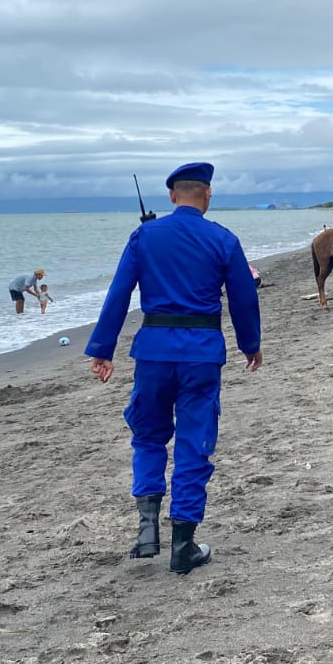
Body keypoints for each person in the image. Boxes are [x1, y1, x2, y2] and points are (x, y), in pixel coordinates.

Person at [86, 162, 262, 575]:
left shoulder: (144, 236)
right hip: (201, 354)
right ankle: (183, 545)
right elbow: (242, 299)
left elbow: (119, 292)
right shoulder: (223, 238)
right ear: (207, 195)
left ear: (171, 196)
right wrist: (250, 345)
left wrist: (103, 348)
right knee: (193, 442)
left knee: (147, 437)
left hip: (152, 352)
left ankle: (147, 530)